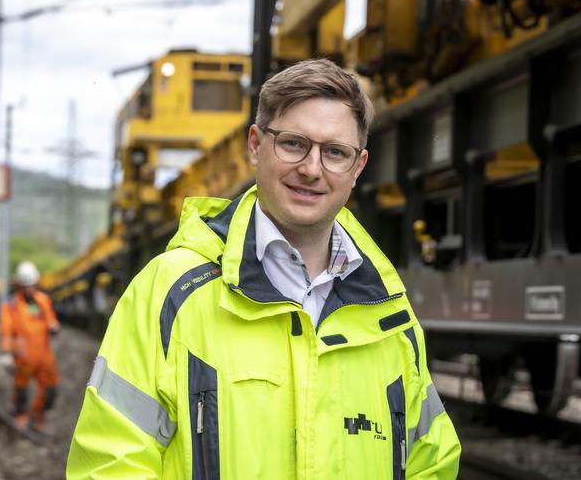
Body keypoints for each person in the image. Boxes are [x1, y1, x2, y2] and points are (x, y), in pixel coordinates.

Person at [66, 59, 461, 478]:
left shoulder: (391, 313)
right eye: (293, 143)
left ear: (358, 167)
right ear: (256, 145)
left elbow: (430, 463)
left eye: (334, 152)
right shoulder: (169, 291)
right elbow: (110, 465)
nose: (312, 169)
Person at [0, 261, 60, 432]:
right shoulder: (11, 306)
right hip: (22, 357)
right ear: (19, 285)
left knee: (51, 389)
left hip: (44, 356)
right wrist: (5, 352)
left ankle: (38, 417)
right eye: (25, 286)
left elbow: (50, 320)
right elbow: (6, 330)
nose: (29, 289)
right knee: (21, 390)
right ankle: (21, 416)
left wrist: (54, 326)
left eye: (31, 285)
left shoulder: (43, 301)